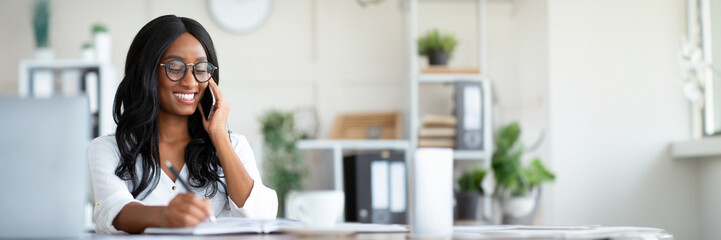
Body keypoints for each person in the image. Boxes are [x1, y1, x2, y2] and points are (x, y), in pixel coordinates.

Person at [89, 15, 277, 234]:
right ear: (147, 72)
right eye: (175, 67)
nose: (190, 82)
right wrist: (165, 215)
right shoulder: (110, 149)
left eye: (201, 68)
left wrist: (218, 135)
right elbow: (112, 211)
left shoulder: (233, 145)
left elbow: (260, 217)